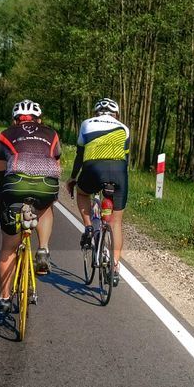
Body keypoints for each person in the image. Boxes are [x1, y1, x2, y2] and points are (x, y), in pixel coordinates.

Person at [0, 99, 61, 313]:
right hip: (46, 184)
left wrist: (2, 193)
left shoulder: (5, 134)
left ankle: (4, 297)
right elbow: (56, 164)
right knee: (47, 206)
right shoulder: (52, 134)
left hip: (15, 184)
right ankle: (43, 249)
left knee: (8, 247)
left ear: (15, 120)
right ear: (39, 119)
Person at [67, 97, 130, 286]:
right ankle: (115, 266)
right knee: (117, 222)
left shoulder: (86, 124)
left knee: (82, 192)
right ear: (116, 113)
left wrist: (72, 177)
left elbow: (80, 154)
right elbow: (124, 157)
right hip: (119, 172)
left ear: (96, 113)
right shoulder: (124, 128)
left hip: (93, 170)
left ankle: (88, 227)